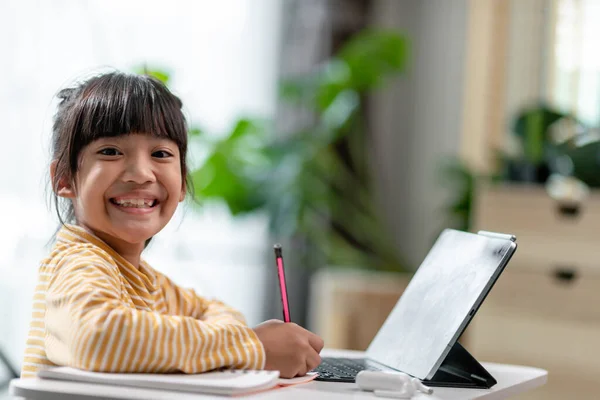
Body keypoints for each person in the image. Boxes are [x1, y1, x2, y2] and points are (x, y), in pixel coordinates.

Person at [21, 71, 323, 379]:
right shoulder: (77, 264)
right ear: (63, 178)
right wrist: (252, 346)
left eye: (160, 154)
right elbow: (98, 337)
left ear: (181, 185)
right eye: (110, 151)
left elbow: (218, 312)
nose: (140, 174)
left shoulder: (150, 285)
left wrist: (232, 340)